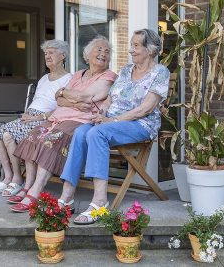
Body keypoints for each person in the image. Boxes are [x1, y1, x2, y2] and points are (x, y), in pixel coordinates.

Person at [57, 29, 170, 224]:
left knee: (97, 133)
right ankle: (67, 198)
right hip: (111, 123)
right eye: (131, 45)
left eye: (136, 46)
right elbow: (109, 99)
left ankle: (100, 202)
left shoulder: (160, 72)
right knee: (81, 131)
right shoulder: (126, 70)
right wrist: (102, 113)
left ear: (149, 50)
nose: (130, 50)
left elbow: (145, 109)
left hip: (140, 125)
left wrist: (112, 121)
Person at [10, 35, 117, 212]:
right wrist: (69, 98)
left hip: (79, 121)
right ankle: (27, 187)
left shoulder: (108, 76)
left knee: (51, 139)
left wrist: (66, 95)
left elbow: (82, 96)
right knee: (33, 136)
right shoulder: (78, 75)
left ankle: (34, 194)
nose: (103, 54)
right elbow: (58, 98)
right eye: (98, 49)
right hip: (58, 116)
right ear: (87, 54)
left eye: (106, 52)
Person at [0, 40, 73, 197]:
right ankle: (8, 177)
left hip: (45, 119)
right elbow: (37, 100)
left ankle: (18, 180)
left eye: (51, 52)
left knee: (8, 136)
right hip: (31, 116)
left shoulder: (69, 79)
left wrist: (38, 117)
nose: (47, 56)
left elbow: (63, 106)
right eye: (46, 53)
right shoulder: (44, 78)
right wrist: (27, 114)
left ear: (63, 55)